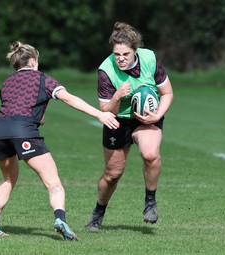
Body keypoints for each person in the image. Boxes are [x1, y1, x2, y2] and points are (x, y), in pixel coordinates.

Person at [0, 41, 120, 241]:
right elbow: (69, 99)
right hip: (23, 131)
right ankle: (60, 219)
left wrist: (37, 118)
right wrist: (100, 115)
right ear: (34, 61)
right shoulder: (43, 79)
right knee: (53, 182)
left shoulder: (7, 83)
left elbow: (19, 106)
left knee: (8, 179)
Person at [85, 22, 174, 231]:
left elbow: (167, 93)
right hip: (117, 119)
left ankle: (150, 202)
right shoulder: (106, 70)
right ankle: (98, 211)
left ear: (136, 51)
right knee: (112, 174)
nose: (121, 59)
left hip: (147, 116)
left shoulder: (149, 59)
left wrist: (157, 116)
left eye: (126, 54)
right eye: (117, 54)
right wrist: (117, 96)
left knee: (150, 154)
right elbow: (106, 110)